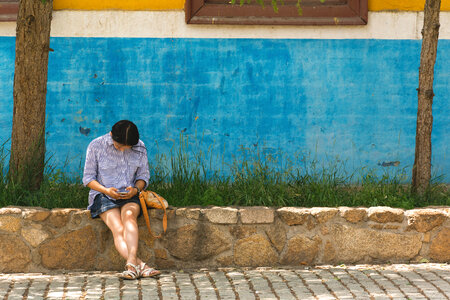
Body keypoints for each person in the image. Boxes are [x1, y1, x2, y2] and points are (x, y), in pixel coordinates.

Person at [82, 120, 160, 280]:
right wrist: (105, 190)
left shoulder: (140, 147)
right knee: (117, 228)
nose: (123, 149)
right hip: (103, 195)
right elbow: (88, 178)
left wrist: (136, 189)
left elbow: (143, 176)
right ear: (111, 135)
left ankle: (131, 265)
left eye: (127, 147)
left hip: (129, 195)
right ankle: (140, 265)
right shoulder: (96, 146)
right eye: (119, 146)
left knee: (129, 217)